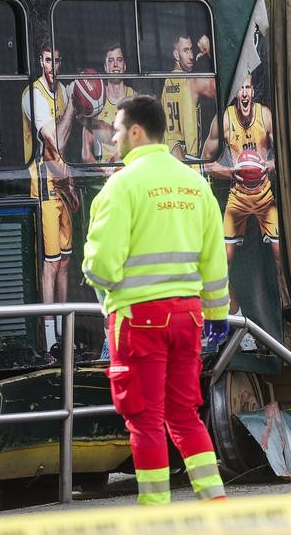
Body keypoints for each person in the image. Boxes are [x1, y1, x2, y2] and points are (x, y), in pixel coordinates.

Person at [82, 95, 229, 505]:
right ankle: (215, 505)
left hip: (139, 320)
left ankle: (155, 517)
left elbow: (103, 267)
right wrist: (216, 315)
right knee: (184, 415)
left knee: (145, 421)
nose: (111, 141)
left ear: (135, 132)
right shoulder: (196, 185)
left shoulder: (121, 186)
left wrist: (92, 267)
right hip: (189, 318)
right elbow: (215, 264)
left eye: (115, 132)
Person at [201, 74, 285, 308]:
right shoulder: (224, 120)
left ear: (253, 91)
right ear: (236, 93)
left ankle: (285, 306)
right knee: (224, 259)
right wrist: (230, 171)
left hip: (264, 194)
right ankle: (231, 314)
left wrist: (265, 166)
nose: (245, 93)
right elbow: (205, 163)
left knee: (280, 255)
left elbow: (285, 155)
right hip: (237, 195)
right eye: (241, 88)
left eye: (248, 88)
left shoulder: (265, 115)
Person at [22, 44, 78, 350]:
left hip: (63, 182)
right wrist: (72, 108)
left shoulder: (62, 92)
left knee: (66, 261)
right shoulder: (34, 95)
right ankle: (48, 338)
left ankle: (64, 333)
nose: (52, 65)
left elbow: (65, 141)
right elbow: (54, 139)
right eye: (47, 59)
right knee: (51, 263)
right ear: (39, 61)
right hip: (43, 183)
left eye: (57, 59)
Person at [161, 35, 216, 160]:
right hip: (191, 162)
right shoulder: (190, 82)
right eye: (186, 51)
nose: (191, 56)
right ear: (176, 55)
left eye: (191, 50)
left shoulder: (165, 83)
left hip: (170, 159)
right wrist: (210, 50)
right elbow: (224, 88)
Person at [82, 43, 136, 164]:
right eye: (111, 61)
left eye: (119, 60)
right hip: (105, 177)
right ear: (105, 67)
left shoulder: (135, 100)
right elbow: (86, 154)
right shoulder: (95, 102)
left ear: (124, 66)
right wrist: (103, 171)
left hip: (130, 172)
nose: (115, 64)